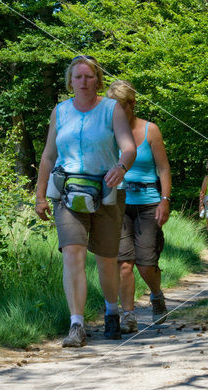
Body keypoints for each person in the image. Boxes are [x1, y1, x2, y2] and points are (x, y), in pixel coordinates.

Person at [35, 56, 137, 347]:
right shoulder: (60, 112)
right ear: (70, 81)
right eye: (78, 77)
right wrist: (40, 195)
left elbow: (128, 146)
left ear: (98, 80)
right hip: (68, 193)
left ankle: (111, 312)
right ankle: (76, 325)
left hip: (106, 191)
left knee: (106, 258)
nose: (83, 82)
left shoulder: (112, 110)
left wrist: (121, 167)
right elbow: (48, 155)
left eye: (89, 77)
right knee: (73, 254)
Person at [106, 80, 172, 334]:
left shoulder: (150, 130)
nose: (116, 113)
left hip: (148, 203)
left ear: (132, 105)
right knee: (124, 263)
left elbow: (163, 168)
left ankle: (156, 295)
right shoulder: (107, 132)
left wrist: (164, 200)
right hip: (118, 202)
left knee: (146, 263)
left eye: (121, 107)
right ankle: (129, 315)